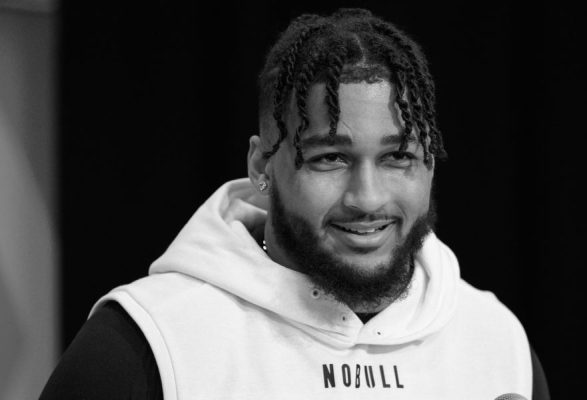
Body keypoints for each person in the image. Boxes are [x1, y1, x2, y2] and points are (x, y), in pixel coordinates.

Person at [41, 8, 549, 399]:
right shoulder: (145, 344)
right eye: (330, 158)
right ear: (261, 166)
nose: (367, 198)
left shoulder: (497, 343)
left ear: (430, 164)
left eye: (398, 157)